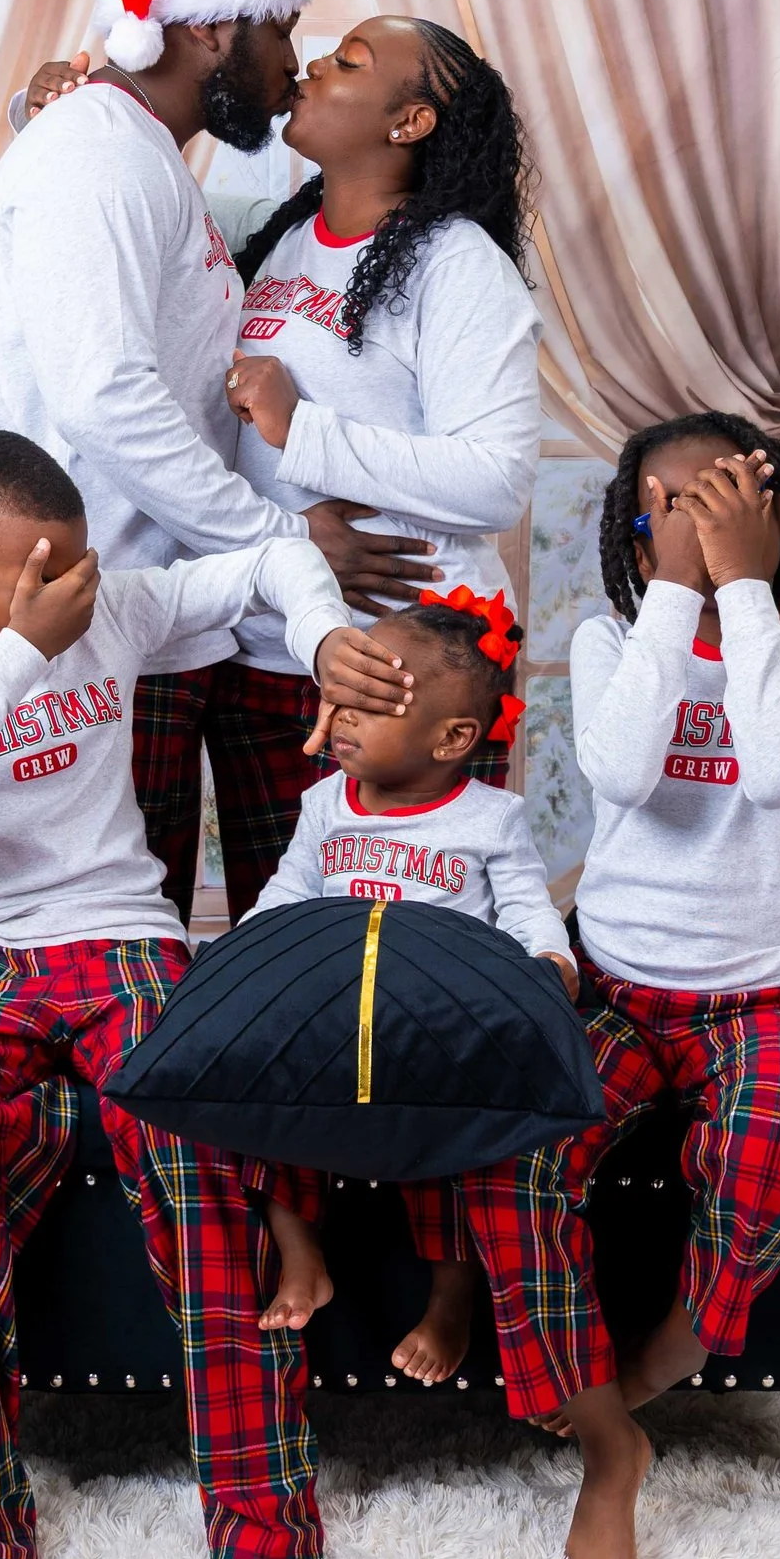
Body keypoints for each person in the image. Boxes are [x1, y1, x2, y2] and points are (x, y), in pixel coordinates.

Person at [0, 430, 412, 1559]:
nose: (72, 591)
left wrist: (321, 636)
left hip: (123, 938)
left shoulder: (106, 611)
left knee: (197, 1143)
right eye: (35, 572)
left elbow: (262, 560)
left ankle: (260, 1516)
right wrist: (15, 653)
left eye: (80, 565)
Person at [0, 0, 440, 928]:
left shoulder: (138, 154)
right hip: (91, 622)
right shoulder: (97, 155)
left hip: (146, 617)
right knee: (109, 945)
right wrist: (280, 544)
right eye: (281, 29)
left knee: (157, 932)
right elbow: (102, 397)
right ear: (215, 25)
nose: (291, 64)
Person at [453, 413, 780, 1559]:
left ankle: (665, 1358)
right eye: (665, 504)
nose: (689, 519)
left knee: (773, 1144)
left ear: (776, 516)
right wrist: (678, 603)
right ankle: (606, 1435)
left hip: (758, 995)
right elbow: (627, 771)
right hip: (621, 984)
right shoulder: (607, 644)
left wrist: (740, 593)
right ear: (635, 536)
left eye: (718, 497)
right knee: (510, 1150)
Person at [24, 15, 540, 919]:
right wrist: (49, 111)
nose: (312, 65)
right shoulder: (282, 243)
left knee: (390, 956)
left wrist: (307, 429)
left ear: (409, 122)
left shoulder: (459, 265)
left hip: (400, 666)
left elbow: (497, 479)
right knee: (287, 950)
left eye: (350, 61)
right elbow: (111, 204)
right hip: (266, 645)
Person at [237, 588, 574, 1383]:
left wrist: (550, 964)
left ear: (454, 737)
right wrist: (246, 953)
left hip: (435, 1028)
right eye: (341, 697)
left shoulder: (489, 819)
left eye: (372, 706)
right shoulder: (327, 804)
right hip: (332, 1016)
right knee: (259, 1096)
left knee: (460, 1135)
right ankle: (300, 1253)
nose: (342, 717)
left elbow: (528, 906)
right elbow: (289, 891)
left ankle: (451, 1297)